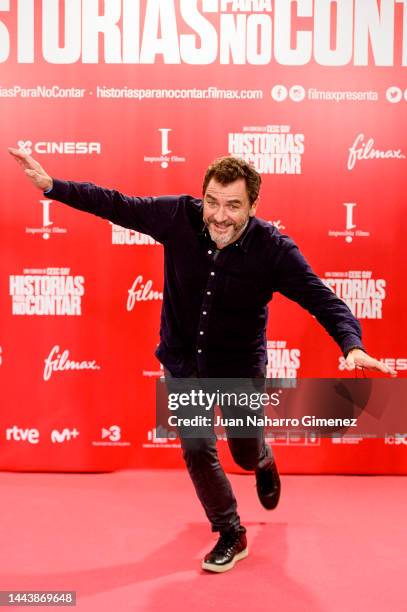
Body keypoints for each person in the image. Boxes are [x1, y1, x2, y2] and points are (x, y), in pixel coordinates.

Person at [8, 148, 396, 573]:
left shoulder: (273, 250)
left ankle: (261, 456)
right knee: (197, 448)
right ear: (202, 197)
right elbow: (115, 204)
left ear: (253, 206)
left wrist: (352, 344)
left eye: (233, 205)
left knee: (243, 455)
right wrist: (52, 187)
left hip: (239, 369)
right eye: (212, 201)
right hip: (182, 362)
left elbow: (323, 300)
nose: (219, 215)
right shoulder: (178, 216)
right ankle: (231, 531)